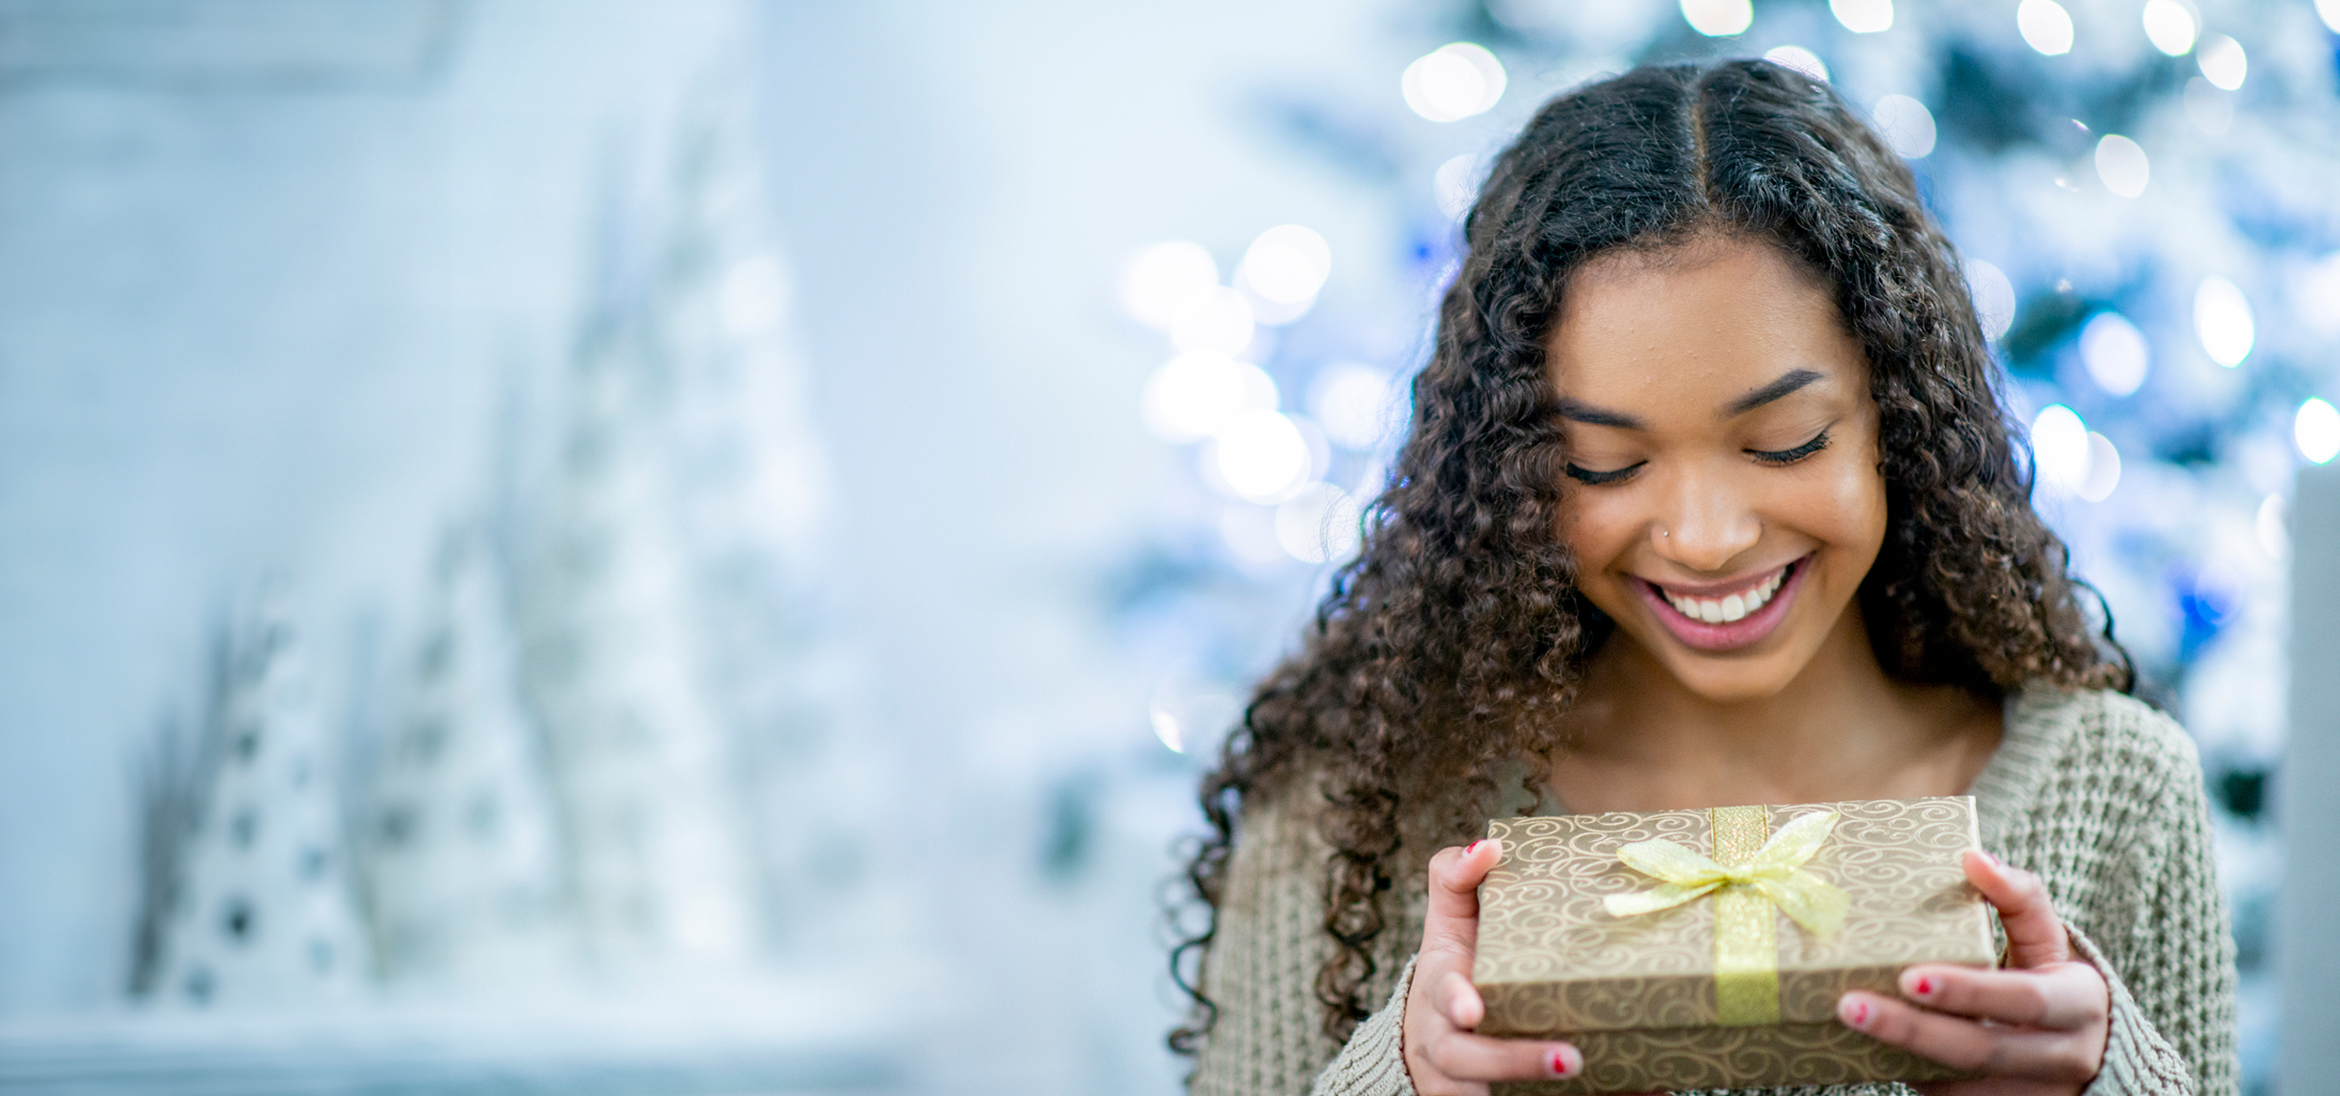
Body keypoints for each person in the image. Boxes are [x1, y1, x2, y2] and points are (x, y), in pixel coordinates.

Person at [1169, 59, 2237, 1096]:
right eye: (1604, 465)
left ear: (1897, 421)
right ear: (1513, 467)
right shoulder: (1353, 811)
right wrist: (1404, 1079)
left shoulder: (2114, 792)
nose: (1707, 536)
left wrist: (2106, 1080)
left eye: (1782, 442)